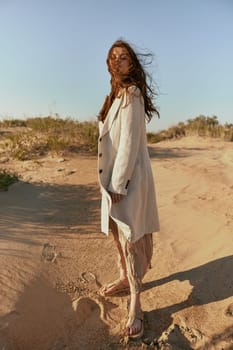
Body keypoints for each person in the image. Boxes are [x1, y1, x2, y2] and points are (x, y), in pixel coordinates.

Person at [97, 39, 160, 339]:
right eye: (113, 58)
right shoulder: (115, 95)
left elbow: (130, 143)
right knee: (116, 232)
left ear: (131, 63)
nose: (117, 61)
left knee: (131, 236)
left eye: (123, 57)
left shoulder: (132, 94)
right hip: (110, 179)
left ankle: (136, 301)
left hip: (128, 178)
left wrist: (119, 183)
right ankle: (125, 278)